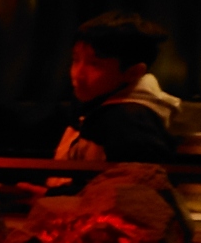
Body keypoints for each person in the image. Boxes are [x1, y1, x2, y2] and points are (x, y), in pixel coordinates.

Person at [55, 12, 177, 163]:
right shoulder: (93, 104)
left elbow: (141, 174)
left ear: (133, 72)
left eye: (94, 64)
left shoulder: (131, 121)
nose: (78, 74)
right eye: (76, 59)